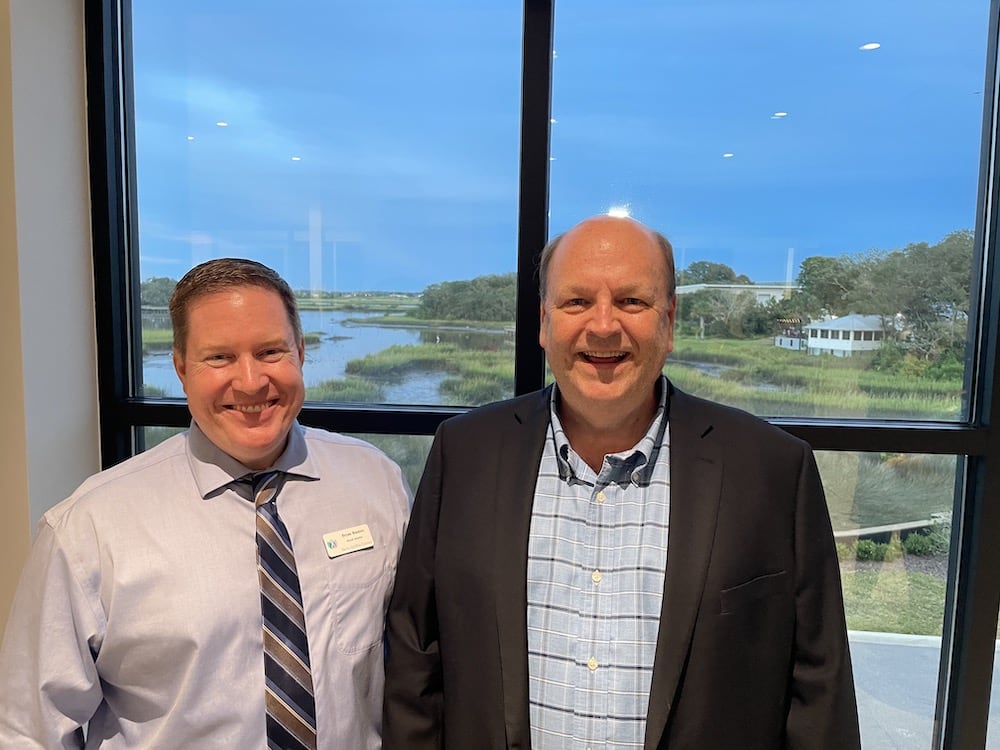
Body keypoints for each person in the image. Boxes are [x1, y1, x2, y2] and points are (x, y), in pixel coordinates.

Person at [382, 215, 860, 749]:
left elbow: (819, 688)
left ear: (669, 321)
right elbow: (414, 657)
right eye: (576, 302)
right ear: (544, 323)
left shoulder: (772, 469)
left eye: (632, 301)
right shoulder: (465, 453)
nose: (604, 326)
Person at [0, 258, 410, 748]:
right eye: (219, 358)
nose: (252, 381)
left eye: (271, 350)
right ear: (181, 368)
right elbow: (31, 730)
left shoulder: (376, 483)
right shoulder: (88, 528)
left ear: (301, 352)